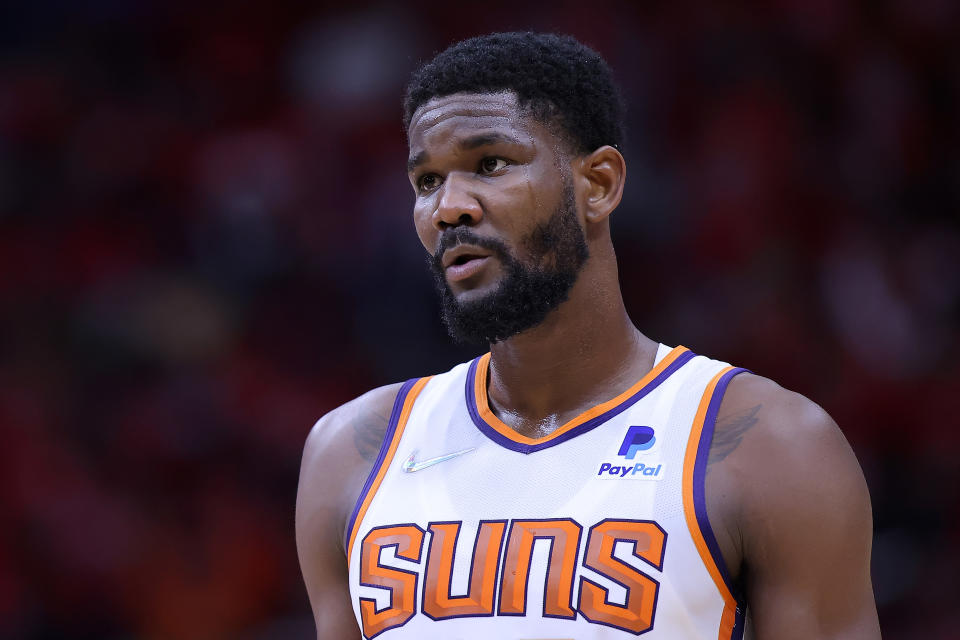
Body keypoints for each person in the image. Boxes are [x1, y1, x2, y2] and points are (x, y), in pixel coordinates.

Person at [296, 32, 881, 639]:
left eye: (490, 164)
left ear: (598, 184)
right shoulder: (350, 452)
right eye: (426, 182)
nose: (449, 207)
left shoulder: (770, 445)